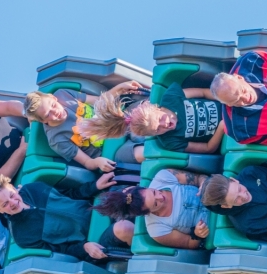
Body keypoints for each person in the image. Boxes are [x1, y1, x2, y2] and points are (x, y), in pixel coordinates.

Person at [0, 172, 130, 261]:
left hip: (98, 211)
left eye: (12, 195)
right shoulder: (22, 236)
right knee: (123, 227)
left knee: (127, 193)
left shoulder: (34, 188)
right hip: (94, 239)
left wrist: (95, 186)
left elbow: (70, 195)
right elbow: (61, 250)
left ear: (13, 187)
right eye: (5, 204)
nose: (13, 203)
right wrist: (85, 247)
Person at [25, 81, 145, 173]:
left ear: (53, 98)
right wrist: (97, 162)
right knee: (142, 153)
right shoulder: (57, 139)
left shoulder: (64, 95)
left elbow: (99, 101)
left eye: (53, 105)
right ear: (43, 121)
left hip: (117, 121)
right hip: (110, 149)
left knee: (145, 116)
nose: (54, 112)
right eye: (48, 115)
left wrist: (120, 88)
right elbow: (87, 162)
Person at [79, 83, 225, 155]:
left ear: (157, 108)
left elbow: (204, 92)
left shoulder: (171, 97)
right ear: (153, 135)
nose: (165, 125)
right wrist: (221, 127)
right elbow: (208, 148)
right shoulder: (170, 142)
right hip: (227, 130)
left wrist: (226, 100)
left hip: (227, 103)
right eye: (158, 129)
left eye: (161, 119)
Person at [95, 169, 210, 250]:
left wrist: (204, 184)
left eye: (154, 192)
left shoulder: (163, 177)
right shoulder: (156, 230)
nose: (160, 197)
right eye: (156, 204)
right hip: (214, 225)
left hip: (217, 193)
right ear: (147, 213)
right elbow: (190, 243)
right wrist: (197, 234)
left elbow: (199, 178)